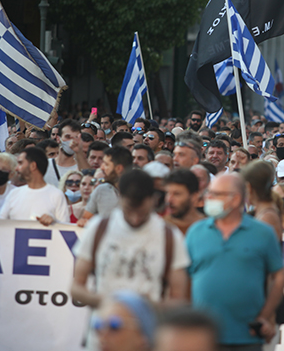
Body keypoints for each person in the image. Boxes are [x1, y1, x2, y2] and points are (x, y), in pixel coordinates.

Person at [71, 169, 189, 350]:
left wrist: (146, 306)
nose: (134, 218)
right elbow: (76, 287)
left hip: (147, 339)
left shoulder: (169, 236)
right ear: (120, 199)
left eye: (141, 211)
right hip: (101, 338)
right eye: (129, 209)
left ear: (153, 200)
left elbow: (180, 299)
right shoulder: (99, 228)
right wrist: (110, 303)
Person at [185, 173, 284, 350]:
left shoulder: (262, 233)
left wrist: (266, 316)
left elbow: (278, 275)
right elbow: (184, 279)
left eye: (215, 194)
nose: (208, 198)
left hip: (248, 336)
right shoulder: (195, 232)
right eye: (209, 192)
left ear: (236, 199)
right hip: (204, 337)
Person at [0, 147, 69, 225]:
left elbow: (66, 230)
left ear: (33, 166)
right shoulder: (13, 194)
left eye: (20, 163)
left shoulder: (56, 195)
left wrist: (53, 222)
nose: (16, 168)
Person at [80, 146, 132, 226]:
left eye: (106, 164)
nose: (102, 167)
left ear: (119, 168)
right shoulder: (100, 190)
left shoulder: (139, 192)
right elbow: (84, 219)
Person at [44, 119, 90, 188]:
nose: (71, 141)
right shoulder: (45, 165)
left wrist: (79, 151)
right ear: (59, 139)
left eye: (76, 137)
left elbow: (88, 179)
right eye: (67, 137)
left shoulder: (81, 166)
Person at [163, 169, 204, 235]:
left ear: (194, 196)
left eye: (177, 194)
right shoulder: (160, 227)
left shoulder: (210, 229)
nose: (169, 200)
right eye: (167, 193)